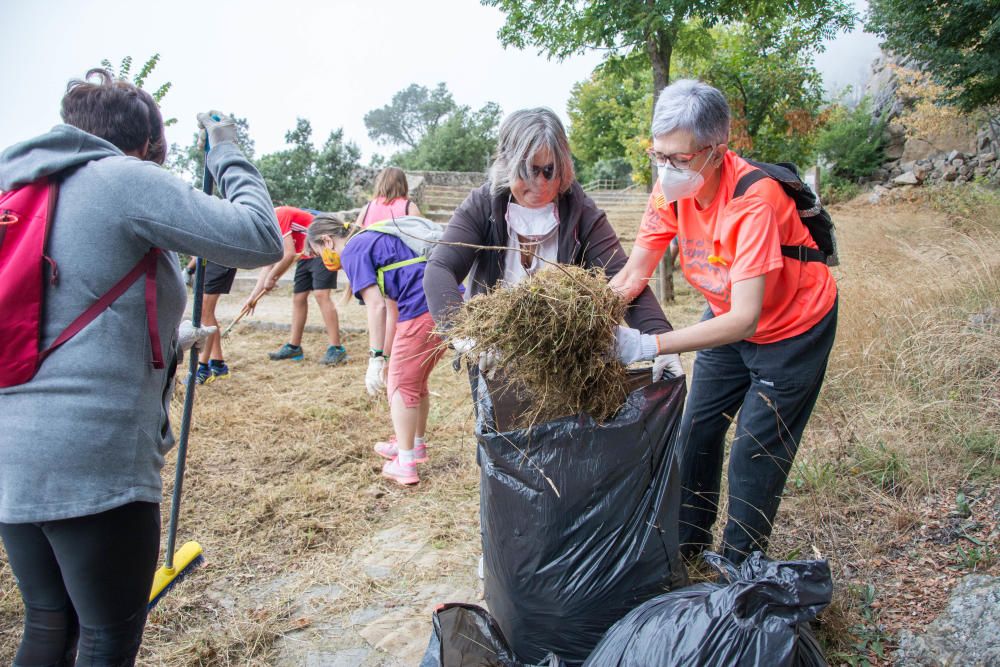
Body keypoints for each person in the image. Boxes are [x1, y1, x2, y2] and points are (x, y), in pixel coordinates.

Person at [0, 69, 283, 665]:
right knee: (107, 636)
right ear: (151, 145)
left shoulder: (23, 187)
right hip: (91, 455)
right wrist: (227, 148)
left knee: (50, 624)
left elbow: (57, 311)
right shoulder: (122, 179)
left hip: (13, 454)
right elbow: (260, 237)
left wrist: (176, 337)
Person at [610, 79, 838, 565]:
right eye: (659, 155)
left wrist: (651, 346)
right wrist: (586, 319)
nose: (666, 169)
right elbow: (633, 272)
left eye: (679, 158)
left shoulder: (752, 202)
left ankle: (736, 566)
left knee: (754, 450)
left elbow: (745, 317)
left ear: (716, 152)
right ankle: (687, 547)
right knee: (696, 430)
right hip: (725, 316)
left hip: (791, 328)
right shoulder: (670, 188)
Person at [423, 107, 680, 379]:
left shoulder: (580, 212)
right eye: (529, 171)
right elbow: (440, 268)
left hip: (561, 360)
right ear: (507, 165)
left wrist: (661, 341)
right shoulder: (483, 205)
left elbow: (622, 275)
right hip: (492, 356)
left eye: (550, 171)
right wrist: (466, 335)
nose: (541, 183)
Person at [307, 214, 446, 486]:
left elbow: (377, 306)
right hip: (440, 303)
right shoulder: (372, 240)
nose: (325, 258)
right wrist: (384, 355)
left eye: (319, 251)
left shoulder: (354, 251)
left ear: (327, 241)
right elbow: (391, 307)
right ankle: (414, 445)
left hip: (420, 308)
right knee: (414, 382)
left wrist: (374, 359)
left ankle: (405, 464)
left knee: (400, 385)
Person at [243, 205, 348, 365]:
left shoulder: (279, 215)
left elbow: (289, 253)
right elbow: (269, 264)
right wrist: (253, 297)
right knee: (298, 298)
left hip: (322, 249)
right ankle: (294, 347)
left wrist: (272, 277)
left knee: (321, 295)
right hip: (304, 255)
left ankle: (336, 348)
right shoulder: (268, 230)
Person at [185, 257, 237, 384]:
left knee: (204, 311)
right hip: (208, 260)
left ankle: (203, 369)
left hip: (218, 259)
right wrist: (189, 268)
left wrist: (189, 268)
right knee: (207, 312)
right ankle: (218, 364)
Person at [355, 166, 422, 228]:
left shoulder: (368, 207)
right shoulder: (409, 207)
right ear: (403, 184)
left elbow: (357, 233)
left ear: (380, 183)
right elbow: (418, 236)